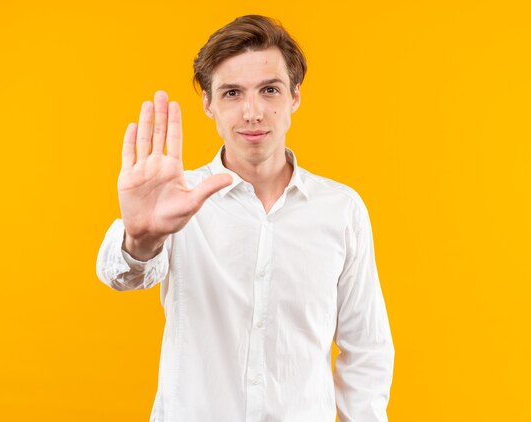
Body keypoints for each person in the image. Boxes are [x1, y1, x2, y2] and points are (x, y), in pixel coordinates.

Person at [96, 14, 394, 422]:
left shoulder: (341, 209)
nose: (252, 112)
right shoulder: (177, 200)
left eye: (269, 90)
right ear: (208, 104)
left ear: (294, 97)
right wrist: (140, 239)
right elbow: (121, 276)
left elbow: (367, 347)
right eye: (232, 93)